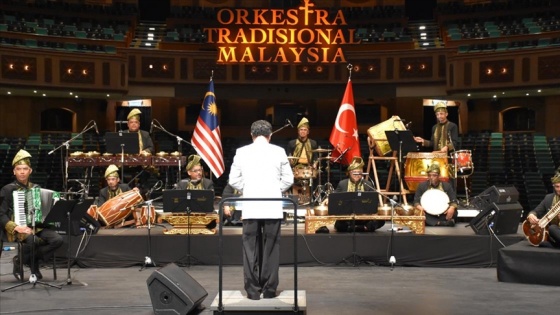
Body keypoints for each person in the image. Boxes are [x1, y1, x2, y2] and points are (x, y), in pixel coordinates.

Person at [229, 119, 294, 300]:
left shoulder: (241, 152)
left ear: (252, 134)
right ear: (270, 135)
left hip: (250, 205)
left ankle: (252, 291)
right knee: (272, 247)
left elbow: (233, 180)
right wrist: (274, 188)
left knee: (250, 247)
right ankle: (270, 290)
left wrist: (249, 188)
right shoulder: (279, 151)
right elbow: (289, 180)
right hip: (272, 205)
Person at [0, 149, 63, 280]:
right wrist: (17, 227)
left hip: (37, 226)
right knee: (32, 240)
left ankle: (25, 260)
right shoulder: (7, 189)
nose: (22, 172)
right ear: (14, 171)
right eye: (19, 169)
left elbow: (44, 210)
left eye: (25, 168)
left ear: (30, 171)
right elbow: (1, 214)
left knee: (57, 240)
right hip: (17, 226)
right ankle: (32, 265)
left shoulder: (36, 187)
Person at [332, 157, 385, 232]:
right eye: (354, 172)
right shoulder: (343, 183)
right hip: (348, 217)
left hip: (364, 217)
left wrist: (372, 211)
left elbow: (374, 200)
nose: (357, 175)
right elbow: (335, 197)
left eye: (359, 172)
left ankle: (361, 228)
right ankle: (359, 228)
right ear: (349, 172)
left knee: (381, 221)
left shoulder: (367, 184)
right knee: (340, 224)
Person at [286, 118, 318, 205]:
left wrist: (315, 164)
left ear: (308, 132)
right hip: (296, 168)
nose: (303, 131)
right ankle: (295, 200)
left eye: (305, 130)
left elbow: (315, 157)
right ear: (298, 131)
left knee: (315, 176)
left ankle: (310, 200)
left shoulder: (313, 143)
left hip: (308, 168)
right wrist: (290, 161)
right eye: (301, 130)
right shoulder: (292, 143)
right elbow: (288, 156)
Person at [525, 173, 560, 248]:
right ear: (553, 186)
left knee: (552, 228)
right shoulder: (548, 198)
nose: (559, 189)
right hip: (554, 234)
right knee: (550, 233)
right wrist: (531, 215)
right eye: (557, 187)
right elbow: (536, 211)